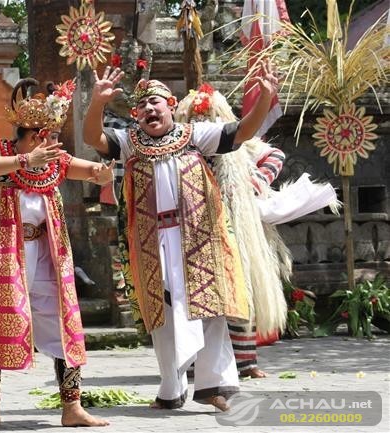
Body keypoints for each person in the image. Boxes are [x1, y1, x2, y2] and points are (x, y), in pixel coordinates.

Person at [83, 65, 280, 411]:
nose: (149, 110)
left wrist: (264, 98)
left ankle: (214, 386)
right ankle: (170, 390)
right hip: (151, 241)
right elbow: (92, 139)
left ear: (171, 104)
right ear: (135, 116)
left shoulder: (195, 135)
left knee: (211, 310)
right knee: (162, 315)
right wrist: (96, 103)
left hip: (198, 238)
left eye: (155, 103)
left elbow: (243, 131)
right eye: (141, 107)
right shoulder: (130, 142)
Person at [0, 78, 113, 430]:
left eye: (53, 134)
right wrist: (25, 159)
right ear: (33, 134)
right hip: (2, 256)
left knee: (64, 326)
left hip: (45, 254)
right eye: (47, 134)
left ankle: (72, 408)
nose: (53, 140)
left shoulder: (55, 161)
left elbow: (90, 173)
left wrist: (101, 174)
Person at [175, 84, 339, 379]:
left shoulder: (239, 141)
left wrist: (257, 180)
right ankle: (197, 362)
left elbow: (274, 155)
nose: (203, 121)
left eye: (210, 114)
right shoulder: (180, 147)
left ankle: (246, 362)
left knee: (242, 290)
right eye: (195, 117)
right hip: (195, 227)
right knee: (199, 295)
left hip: (237, 226)